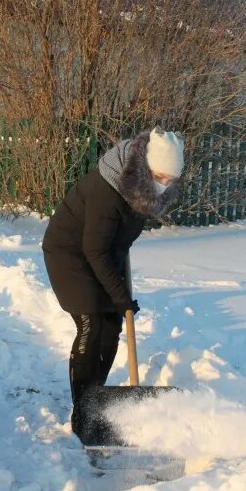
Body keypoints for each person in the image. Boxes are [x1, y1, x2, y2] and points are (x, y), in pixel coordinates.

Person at [41, 127, 184, 441]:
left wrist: (119, 298)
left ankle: (97, 398)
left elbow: (114, 242)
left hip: (102, 251)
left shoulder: (143, 187)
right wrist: (121, 296)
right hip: (69, 252)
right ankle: (83, 411)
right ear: (145, 168)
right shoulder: (109, 189)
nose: (164, 184)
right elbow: (95, 248)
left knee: (112, 327)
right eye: (160, 176)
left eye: (170, 179)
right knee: (91, 323)